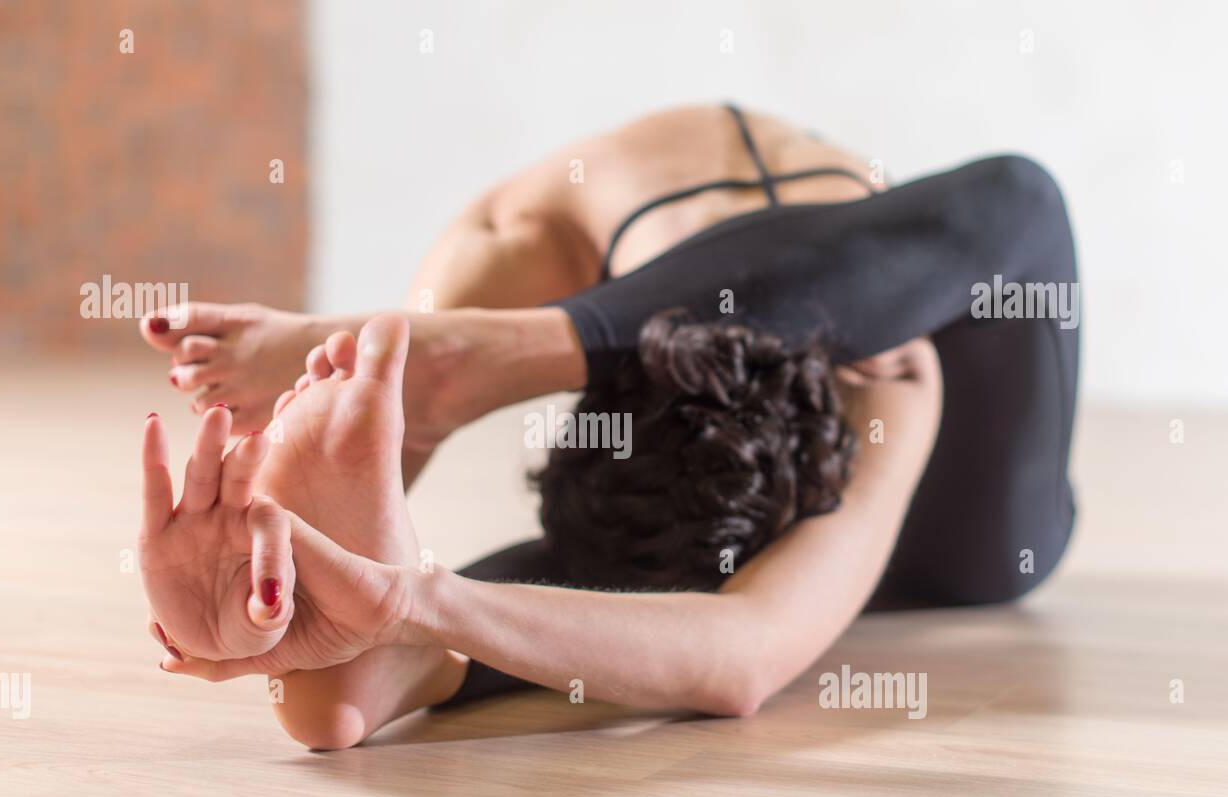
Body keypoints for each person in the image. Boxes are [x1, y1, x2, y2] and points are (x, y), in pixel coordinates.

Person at [138, 104, 1079, 748]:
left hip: (972, 543)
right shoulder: (517, 244)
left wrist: (409, 595)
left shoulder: (884, 374)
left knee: (1018, 209)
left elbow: (746, 651)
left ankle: (435, 621)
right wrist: (297, 596)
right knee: (1019, 199)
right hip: (665, 402)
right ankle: (406, 666)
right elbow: (351, 466)